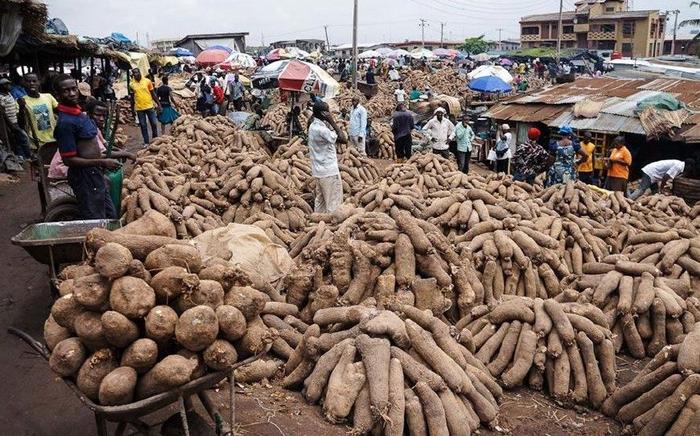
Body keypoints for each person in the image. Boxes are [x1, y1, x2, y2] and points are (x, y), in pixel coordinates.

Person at [52, 75, 120, 219]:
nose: (71, 93)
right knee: (95, 218)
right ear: (57, 95)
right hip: (85, 177)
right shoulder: (66, 123)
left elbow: (88, 148)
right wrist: (102, 162)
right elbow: (69, 160)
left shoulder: (79, 115)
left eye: (73, 89)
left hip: (94, 173)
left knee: (110, 215)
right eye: (66, 91)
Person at [49, 100, 135, 179]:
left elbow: (105, 146)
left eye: (104, 116)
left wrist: (119, 151)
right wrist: (125, 154)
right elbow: (97, 155)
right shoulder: (85, 128)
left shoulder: (94, 127)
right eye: (97, 115)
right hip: (63, 168)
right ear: (89, 113)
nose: (101, 119)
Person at [307, 100, 347, 213]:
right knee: (333, 205)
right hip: (329, 172)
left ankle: (316, 225)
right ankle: (331, 229)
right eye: (327, 111)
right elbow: (343, 139)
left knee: (320, 203)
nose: (330, 113)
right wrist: (332, 121)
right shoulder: (321, 130)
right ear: (324, 114)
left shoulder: (312, 126)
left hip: (319, 172)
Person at [0, 78, 31, 161]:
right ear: (2, 86)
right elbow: (3, 113)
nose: (9, 86)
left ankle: (22, 157)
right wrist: (10, 125)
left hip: (15, 120)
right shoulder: (1, 97)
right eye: (7, 84)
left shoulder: (9, 94)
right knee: (23, 138)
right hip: (10, 123)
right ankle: (28, 156)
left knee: (18, 140)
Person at [129, 68, 160, 146]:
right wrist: (132, 109)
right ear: (133, 75)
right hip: (139, 108)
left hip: (149, 106)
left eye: (137, 72)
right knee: (143, 125)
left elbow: (153, 94)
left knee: (154, 123)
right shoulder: (131, 84)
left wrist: (159, 104)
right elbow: (132, 98)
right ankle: (146, 142)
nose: (136, 74)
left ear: (140, 72)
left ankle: (155, 139)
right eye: (134, 73)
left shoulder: (147, 81)